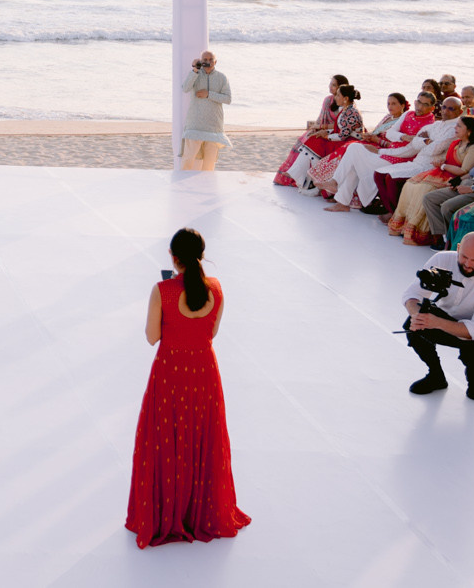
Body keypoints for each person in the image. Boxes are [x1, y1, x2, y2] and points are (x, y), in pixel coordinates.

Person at [125, 228, 250, 549]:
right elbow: (212, 332)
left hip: (169, 373)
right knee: (203, 438)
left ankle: (166, 513)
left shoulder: (163, 290)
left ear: (173, 256)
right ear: (202, 254)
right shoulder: (217, 289)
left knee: (165, 438)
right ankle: (200, 513)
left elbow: (152, 336)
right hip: (204, 371)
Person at [402, 232, 474, 400]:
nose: (467, 264)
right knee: (412, 327)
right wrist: (417, 316)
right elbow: (412, 294)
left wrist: (436, 322)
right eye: (464, 257)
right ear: (458, 248)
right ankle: (436, 375)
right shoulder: (441, 259)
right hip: (443, 316)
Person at [389, 111, 474, 245]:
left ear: (469, 131)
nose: (455, 128)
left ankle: (425, 233)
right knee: (410, 184)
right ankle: (405, 228)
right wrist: (439, 162)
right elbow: (446, 158)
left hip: (456, 178)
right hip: (444, 171)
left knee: (424, 189)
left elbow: (464, 171)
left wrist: (443, 166)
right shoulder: (457, 143)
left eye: (459, 126)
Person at [275, 74, 350, 186]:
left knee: (315, 139)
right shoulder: (327, 100)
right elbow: (321, 118)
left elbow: (341, 126)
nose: (330, 87)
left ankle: (303, 177)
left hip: (338, 133)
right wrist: (315, 127)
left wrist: (323, 128)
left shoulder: (346, 104)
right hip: (327, 130)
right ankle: (297, 175)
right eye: (330, 84)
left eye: (334, 85)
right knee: (306, 137)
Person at [175, 51, 232, 173]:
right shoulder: (196, 75)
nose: (208, 62)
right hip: (195, 125)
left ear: (215, 62)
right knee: (188, 159)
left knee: (209, 163)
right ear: (201, 61)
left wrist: (208, 94)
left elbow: (227, 99)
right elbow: (185, 88)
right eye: (205, 59)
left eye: (211, 59)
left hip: (213, 126)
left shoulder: (222, 78)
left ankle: (207, 188)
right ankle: (181, 187)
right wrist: (195, 70)